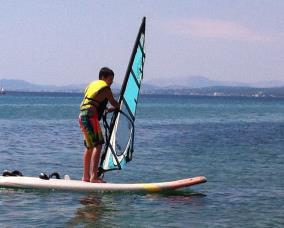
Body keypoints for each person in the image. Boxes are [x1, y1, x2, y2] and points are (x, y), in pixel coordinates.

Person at [79, 67, 119, 183]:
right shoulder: (105, 88)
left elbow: (93, 101)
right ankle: (94, 177)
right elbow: (114, 102)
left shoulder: (92, 85)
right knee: (98, 145)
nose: (111, 82)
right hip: (91, 116)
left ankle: (85, 177)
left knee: (89, 146)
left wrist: (107, 110)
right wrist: (120, 106)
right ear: (103, 77)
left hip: (82, 115)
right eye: (110, 79)